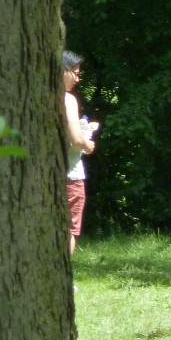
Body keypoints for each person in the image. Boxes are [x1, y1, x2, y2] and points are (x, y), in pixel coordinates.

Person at [62, 50, 98, 255]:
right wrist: (88, 144)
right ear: (62, 70)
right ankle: (62, 273)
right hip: (70, 175)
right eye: (75, 73)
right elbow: (76, 140)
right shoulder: (67, 99)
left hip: (44, 175)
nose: (77, 79)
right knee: (69, 230)